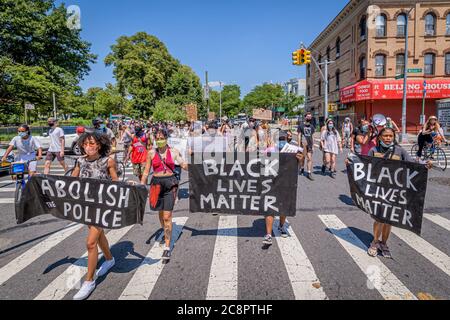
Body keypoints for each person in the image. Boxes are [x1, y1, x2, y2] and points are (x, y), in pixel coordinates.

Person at [366, 128, 432, 259]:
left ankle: (384, 243)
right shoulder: (373, 151)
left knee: (389, 220)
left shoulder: (400, 150)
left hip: (395, 191)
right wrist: (351, 162)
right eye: (385, 136)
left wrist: (425, 164)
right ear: (379, 137)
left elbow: (413, 164)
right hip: (379, 191)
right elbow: (363, 165)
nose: (388, 138)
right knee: (379, 219)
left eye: (391, 135)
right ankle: (374, 242)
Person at [71, 131, 119, 300]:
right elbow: (70, 181)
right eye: (85, 144)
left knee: (90, 243)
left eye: (92, 143)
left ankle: (89, 281)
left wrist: (130, 186)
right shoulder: (80, 161)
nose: (89, 146)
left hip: (103, 207)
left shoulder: (108, 161)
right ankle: (109, 259)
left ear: (99, 145)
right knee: (99, 237)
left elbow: (116, 182)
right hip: (86, 206)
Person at [140, 129, 188, 261]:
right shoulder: (151, 153)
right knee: (160, 213)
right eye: (157, 138)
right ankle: (164, 230)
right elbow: (146, 171)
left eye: (162, 137)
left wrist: (193, 167)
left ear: (166, 138)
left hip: (170, 184)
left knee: (167, 216)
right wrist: (141, 185)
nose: (159, 140)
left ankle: (167, 247)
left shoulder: (173, 151)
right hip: (156, 185)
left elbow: (182, 163)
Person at [297, 112, 316, 180]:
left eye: (310, 117)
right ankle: (302, 168)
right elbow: (299, 136)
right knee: (302, 158)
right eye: (308, 116)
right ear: (305, 117)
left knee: (309, 158)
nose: (309, 118)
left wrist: (313, 146)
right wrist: (299, 146)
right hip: (303, 144)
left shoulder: (312, 126)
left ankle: (309, 173)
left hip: (309, 145)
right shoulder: (301, 125)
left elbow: (313, 136)